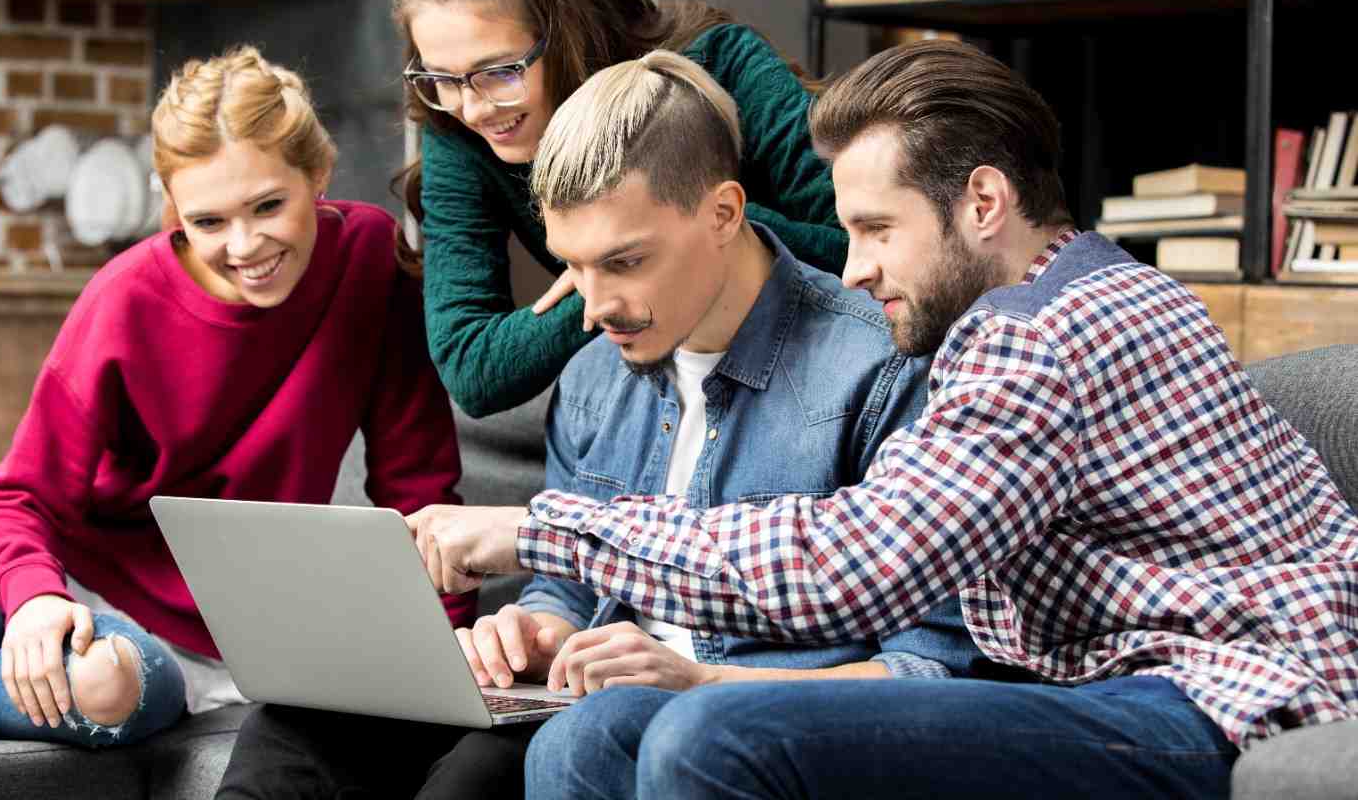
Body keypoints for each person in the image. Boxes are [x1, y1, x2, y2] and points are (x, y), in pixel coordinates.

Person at [408, 40, 1358, 800]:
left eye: (876, 228)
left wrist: (540, 529)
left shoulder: (1040, 338)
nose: (852, 267)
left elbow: (850, 568)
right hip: (1168, 683)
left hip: (1221, 695)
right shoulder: (1094, 291)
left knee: (713, 736)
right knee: (600, 738)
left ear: (982, 202)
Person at [216, 51, 983, 800]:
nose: (592, 305)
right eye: (573, 266)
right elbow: (567, 590)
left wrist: (698, 678)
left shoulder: (880, 366)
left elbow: (932, 672)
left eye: (624, 262)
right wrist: (531, 630)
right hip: (578, 694)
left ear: (723, 213)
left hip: (729, 716)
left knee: (509, 763)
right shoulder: (593, 374)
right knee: (297, 726)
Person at [0, 46, 471, 748]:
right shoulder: (125, 299)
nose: (246, 246)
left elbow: (418, 484)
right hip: (34, 553)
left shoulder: (369, 263)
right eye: (208, 221)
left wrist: (449, 645)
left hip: (197, 630)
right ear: (172, 205)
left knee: (102, 691)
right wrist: (32, 600)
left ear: (319, 173)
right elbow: (17, 499)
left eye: (269, 205)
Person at [394, 0, 847, 418]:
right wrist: (606, 279)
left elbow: (858, 251)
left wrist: (686, 229)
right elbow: (470, 366)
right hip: (662, 377)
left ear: (562, 34)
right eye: (442, 78)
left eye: (501, 71)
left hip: (810, 350)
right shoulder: (456, 129)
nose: (472, 107)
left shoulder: (723, 60)